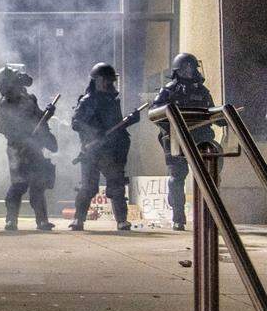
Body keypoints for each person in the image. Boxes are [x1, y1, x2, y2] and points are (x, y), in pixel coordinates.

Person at [69, 62, 140, 231]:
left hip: (111, 151)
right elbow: (76, 122)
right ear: (98, 80)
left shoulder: (112, 100)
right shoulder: (87, 101)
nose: (110, 83)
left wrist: (129, 121)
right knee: (88, 187)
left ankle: (122, 221)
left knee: (116, 185)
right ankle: (78, 220)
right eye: (107, 79)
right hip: (92, 150)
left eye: (111, 80)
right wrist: (95, 132)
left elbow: (116, 126)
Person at [151, 53, 215, 231]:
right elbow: (154, 113)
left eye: (192, 67)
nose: (189, 71)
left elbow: (210, 111)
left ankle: (206, 217)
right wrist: (172, 123)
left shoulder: (202, 91)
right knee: (177, 178)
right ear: (178, 70)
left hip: (200, 138)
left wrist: (221, 117)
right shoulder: (169, 91)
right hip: (176, 139)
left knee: (206, 177)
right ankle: (178, 217)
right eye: (186, 67)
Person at [0, 66, 57, 231]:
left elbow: (38, 118)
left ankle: (42, 220)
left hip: (34, 145)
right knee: (19, 184)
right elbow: (2, 127)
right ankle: (11, 220)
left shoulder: (29, 98)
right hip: (18, 147)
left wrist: (47, 114)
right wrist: (21, 136)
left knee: (38, 183)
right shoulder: (6, 103)